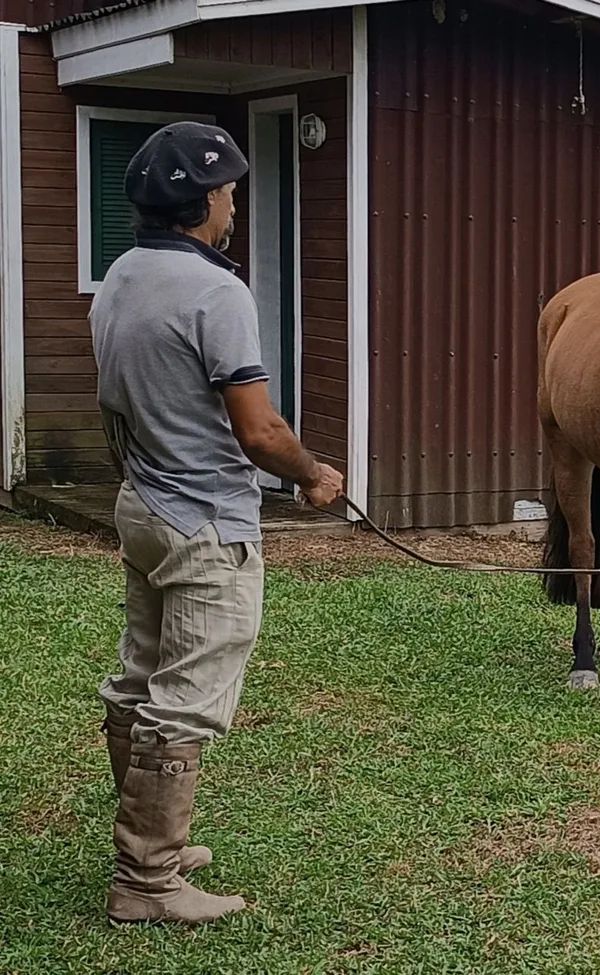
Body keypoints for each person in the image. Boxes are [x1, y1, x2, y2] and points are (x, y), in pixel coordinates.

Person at [90, 121, 343, 926]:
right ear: (202, 203)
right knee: (184, 700)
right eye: (229, 192)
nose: (234, 205)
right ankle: (147, 878)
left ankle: (151, 845)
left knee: (139, 678)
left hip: (143, 505)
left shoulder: (122, 275)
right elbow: (259, 431)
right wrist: (314, 474)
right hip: (204, 522)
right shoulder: (217, 293)